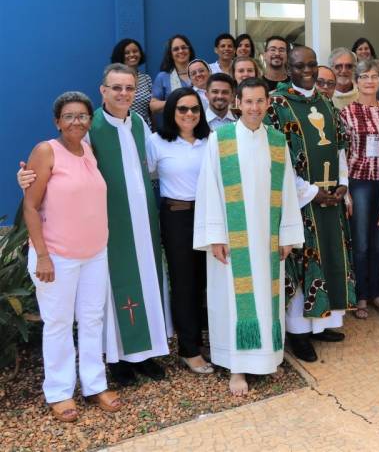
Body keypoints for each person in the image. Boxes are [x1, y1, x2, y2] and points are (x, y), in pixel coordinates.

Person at [194, 77, 304, 396]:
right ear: (237, 104)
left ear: (268, 103)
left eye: (260, 101)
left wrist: (287, 235)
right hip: (233, 239)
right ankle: (237, 368)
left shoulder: (277, 140)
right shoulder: (221, 139)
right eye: (249, 101)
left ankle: (267, 358)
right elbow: (209, 189)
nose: (254, 107)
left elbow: (286, 190)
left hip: (268, 237)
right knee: (232, 300)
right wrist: (215, 235)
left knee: (268, 299)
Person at [22, 91, 119, 422]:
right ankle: (60, 392)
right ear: (57, 121)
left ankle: (94, 385)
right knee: (59, 323)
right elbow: (30, 206)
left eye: (82, 116)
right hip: (57, 255)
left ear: (89, 120)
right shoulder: (46, 151)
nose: (76, 121)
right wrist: (43, 255)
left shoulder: (88, 151)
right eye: (69, 116)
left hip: (93, 253)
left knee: (92, 320)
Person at [266, 46, 355, 362]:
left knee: (330, 256)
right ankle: (299, 332)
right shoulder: (277, 106)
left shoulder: (326, 102)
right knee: (303, 264)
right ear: (288, 69)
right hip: (299, 203)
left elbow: (340, 147)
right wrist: (311, 192)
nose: (307, 70)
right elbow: (278, 160)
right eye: (299, 66)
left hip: (331, 200)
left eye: (311, 65)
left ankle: (323, 322)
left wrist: (343, 182)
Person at [90, 64, 172, 384]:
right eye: (117, 88)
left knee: (150, 280)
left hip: (144, 219)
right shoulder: (92, 127)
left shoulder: (139, 121)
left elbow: (155, 162)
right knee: (116, 288)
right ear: (103, 90)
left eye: (129, 88)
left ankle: (148, 352)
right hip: (112, 222)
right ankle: (120, 359)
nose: (124, 94)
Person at [148, 88, 214, 374]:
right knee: (184, 283)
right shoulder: (157, 142)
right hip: (177, 218)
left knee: (208, 281)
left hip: (210, 216)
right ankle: (189, 349)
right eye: (182, 109)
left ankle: (205, 339)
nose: (189, 114)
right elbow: (146, 175)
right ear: (172, 111)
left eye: (195, 109)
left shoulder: (211, 141)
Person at [340, 59, 379, 319]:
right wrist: (346, 190)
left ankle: (376, 293)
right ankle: (360, 296)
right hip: (359, 181)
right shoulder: (346, 112)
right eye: (364, 76)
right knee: (361, 243)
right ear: (356, 81)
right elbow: (341, 152)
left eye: (374, 76)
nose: (370, 81)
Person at [151, 34, 195, 125]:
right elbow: (153, 106)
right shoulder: (163, 77)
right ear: (170, 54)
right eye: (176, 49)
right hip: (173, 128)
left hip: (200, 127)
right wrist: (175, 102)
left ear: (189, 50)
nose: (181, 51)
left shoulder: (200, 73)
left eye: (184, 47)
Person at [110, 38, 153, 129]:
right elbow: (107, 106)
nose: (132, 55)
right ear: (120, 55)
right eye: (127, 53)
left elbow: (150, 110)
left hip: (144, 129)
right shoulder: (114, 78)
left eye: (135, 51)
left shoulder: (146, 79)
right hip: (121, 128)